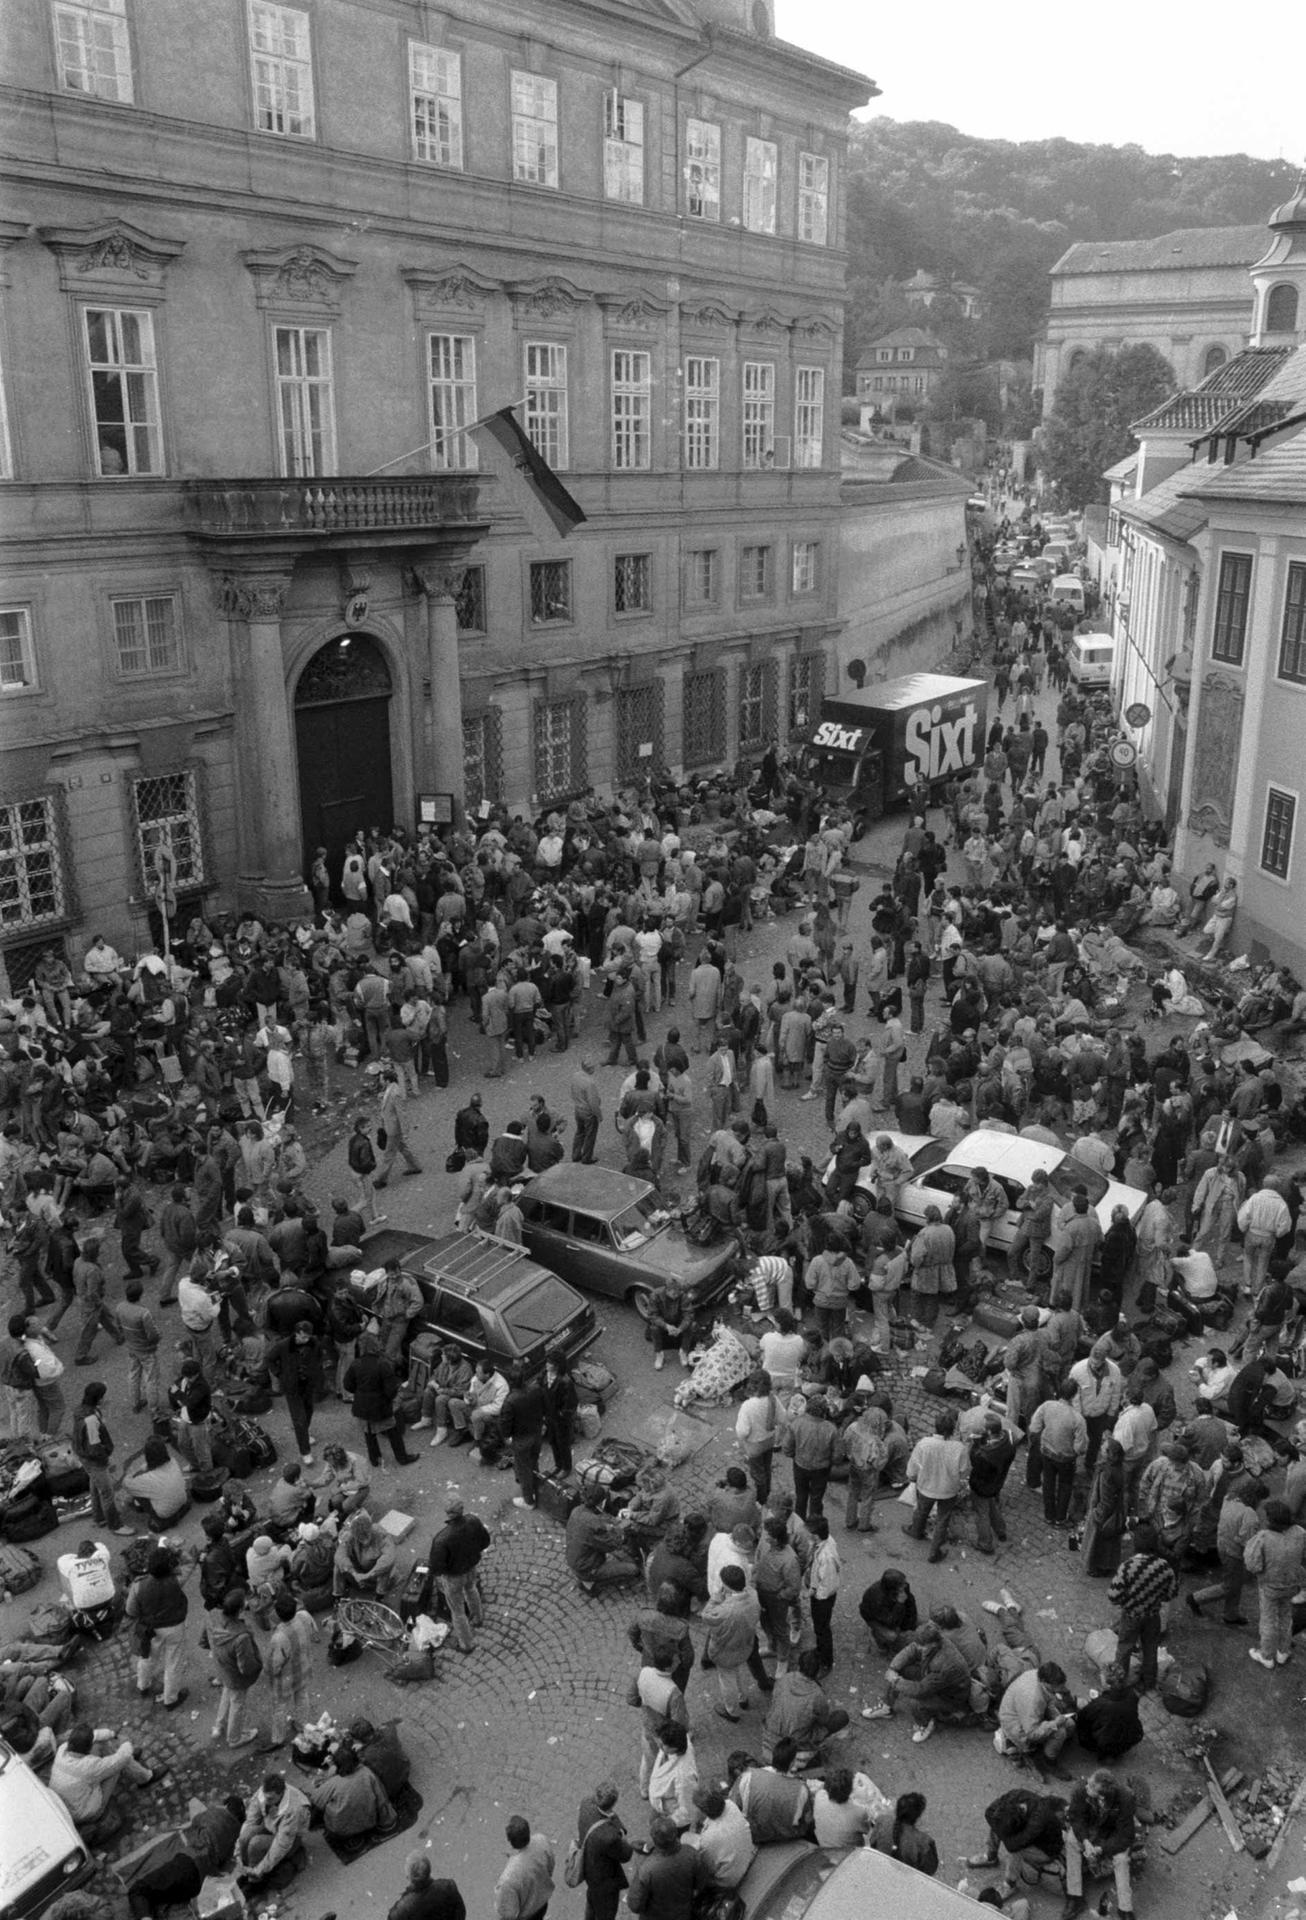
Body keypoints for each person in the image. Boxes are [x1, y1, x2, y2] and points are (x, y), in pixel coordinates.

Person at [1106, 1524, 1178, 1691]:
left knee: (1124, 1649)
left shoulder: (1127, 1567)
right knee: (1150, 1649)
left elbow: (1113, 1596)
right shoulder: (1164, 1567)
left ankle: (1119, 1684)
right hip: (1153, 1615)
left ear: (1135, 1543)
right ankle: (1148, 1682)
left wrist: (1128, 1600)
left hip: (1131, 1615)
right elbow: (1171, 1593)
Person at [50, 1723, 156, 1834]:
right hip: (85, 1812)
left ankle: (131, 1761)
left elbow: (94, 1736)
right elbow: (120, 1759)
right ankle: (145, 1778)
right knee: (117, 1765)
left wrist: (112, 1734)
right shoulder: (88, 1766)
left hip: (68, 1806)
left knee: (100, 1745)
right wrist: (126, 1743)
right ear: (87, 1748)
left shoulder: (62, 1750)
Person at [1062, 1771, 1137, 1920]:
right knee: (1071, 1839)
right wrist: (1085, 1840)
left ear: (1102, 1796)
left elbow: (1125, 1836)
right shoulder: (1081, 1789)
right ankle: (1075, 1897)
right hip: (1090, 1830)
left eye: (1091, 1787)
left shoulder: (1126, 1799)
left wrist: (1102, 1848)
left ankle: (1125, 1908)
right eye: (1090, 1781)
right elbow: (1076, 1817)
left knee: (1122, 1859)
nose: (1086, 1786)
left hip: (1111, 1834)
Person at [1244, 1497, 1306, 1670]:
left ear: (1271, 1520)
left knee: (1268, 1620)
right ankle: (1283, 1651)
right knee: (1286, 1617)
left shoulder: (1263, 1538)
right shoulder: (1300, 1532)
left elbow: (1252, 1564)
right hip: (1292, 1584)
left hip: (1269, 1587)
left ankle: (1266, 1656)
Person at [127, 1545, 190, 1710]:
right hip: (175, 1627)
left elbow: (130, 1610)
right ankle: (170, 1699)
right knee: (174, 1663)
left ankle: (143, 1685)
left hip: (151, 1629)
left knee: (147, 1657)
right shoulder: (177, 1580)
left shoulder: (138, 1585)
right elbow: (190, 1562)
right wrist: (177, 1549)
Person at [428, 1495, 491, 1654]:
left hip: (453, 1577)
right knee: (472, 1589)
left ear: (447, 1512)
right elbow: (485, 1541)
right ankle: (478, 1618)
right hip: (470, 1567)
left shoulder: (441, 1539)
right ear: (462, 1509)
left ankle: (466, 1644)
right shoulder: (473, 1521)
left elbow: (436, 1566)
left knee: (457, 1611)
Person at [761, 1647, 850, 1759]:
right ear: (818, 1672)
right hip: (794, 1742)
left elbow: (775, 1700)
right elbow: (823, 1721)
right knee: (841, 1717)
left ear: (799, 1666)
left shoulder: (784, 1678)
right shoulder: (818, 1695)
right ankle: (808, 1749)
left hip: (770, 1733)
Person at [343, 1332, 416, 1467]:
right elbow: (391, 1389)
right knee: (393, 1432)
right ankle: (402, 1458)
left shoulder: (356, 1363)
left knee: (369, 1434)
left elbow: (347, 1384)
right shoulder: (383, 1363)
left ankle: (375, 1459)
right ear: (375, 1345)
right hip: (381, 1406)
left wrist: (360, 1393)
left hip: (362, 1406)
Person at [71, 1379, 133, 1536]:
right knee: (107, 1492)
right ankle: (115, 1525)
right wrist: (105, 1457)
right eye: (103, 1396)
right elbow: (94, 1446)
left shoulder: (81, 1410)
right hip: (95, 1460)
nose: (105, 1399)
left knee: (95, 1485)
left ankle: (99, 1517)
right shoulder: (91, 1419)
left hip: (84, 1457)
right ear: (98, 1399)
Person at [905, 1408, 967, 1561]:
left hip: (926, 1487)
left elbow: (913, 1467)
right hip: (948, 1490)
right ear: (953, 1429)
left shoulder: (924, 1444)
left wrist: (912, 1477)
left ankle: (916, 1531)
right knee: (943, 1519)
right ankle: (934, 1552)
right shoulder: (959, 1448)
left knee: (921, 1511)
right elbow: (964, 1471)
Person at [700, 1564, 761, 1722]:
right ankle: (743, 1698)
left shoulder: (725, 1611)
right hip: (745, 1645)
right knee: (737, 1673)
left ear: (727, 1586)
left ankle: (732, 1711)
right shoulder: (753, 1595)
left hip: (726, 1651)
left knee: (727, 1679)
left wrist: (716, 1598)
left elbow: (706, 1615)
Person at [308, 1740, 396, 1841]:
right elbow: (381, 1800)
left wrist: (330, 1771)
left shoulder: (334, 1782)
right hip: (369, 1822)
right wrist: (387, 1822)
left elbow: (315, 1799)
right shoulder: (368, 1773)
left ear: (337, 1765)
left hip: (339, 1829)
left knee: (321, 1805)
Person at [236, 1773, 312, 1890]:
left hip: (291, 1838)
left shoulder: (295, 1809)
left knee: (256, 1844)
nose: (266, 1801)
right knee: (246, 1836)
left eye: (270, 1799)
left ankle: (255, 1880)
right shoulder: (264, 1793)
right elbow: (250, 1821)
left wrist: (259, 1869)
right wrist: (238, 1851)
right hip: (272, 1825)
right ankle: (247, 1870)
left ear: (281, 1794)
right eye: (265, 1797)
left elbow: (281, 1845)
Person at [573, 1780, 633, 1920]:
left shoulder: (586, 1803)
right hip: (603, 1880)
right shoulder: (609, 1837)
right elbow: (626, 1854)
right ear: (613, 1804)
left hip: (589, 1867)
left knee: (592, 1901)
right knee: (606, 1911)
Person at [566, 1484, 642, 1594]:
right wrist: (622, 1531)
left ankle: (588, 1578)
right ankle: (589, 1584)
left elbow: (598, 1522)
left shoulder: (577, 1510)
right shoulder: (593, 1525)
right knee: (633, 1570)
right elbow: (612, 1545)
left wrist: (611, 1524)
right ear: (602, 1502)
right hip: (587, 1568)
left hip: (576, 1558)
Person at [688, 1783, 756, 1888]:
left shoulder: (709, 1838)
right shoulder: (730, 1805)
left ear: (703, 1810)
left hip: (731, 1880)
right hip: (748, 1856)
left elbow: (709, 1868)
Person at [1074, 1662, 1143, 1762]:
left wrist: (1087, 1706)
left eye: (1101, 1676)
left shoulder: (1100, 1704)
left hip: (1107, 1742)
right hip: (1130, 1737)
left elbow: (1083, 1719)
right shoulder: (1132, 1694)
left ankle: (1105, 1754)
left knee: (1082, 1710)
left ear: (1107, 1683)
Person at [494, 1814, 555, 1920]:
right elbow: (551, 1866)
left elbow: (509, 1914)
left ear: (510, 1840)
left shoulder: (508, 1879)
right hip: (543, 1904)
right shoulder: (542, 1840)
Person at [123, 1436, 190, 1528]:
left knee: (136, 1490)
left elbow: (126, 1484)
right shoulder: (172, 1461)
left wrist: (133, 1473)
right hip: (182, 1500)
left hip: (164, 1514)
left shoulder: (147, 1479)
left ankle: (153, 1517)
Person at [334, 1509, 399, 1600]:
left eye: (367, 1536)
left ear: (371, 1529)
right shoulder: (350, 1535)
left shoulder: (381, 1534)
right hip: (358, 1572)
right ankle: (337, 1596)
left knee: (385, 1568)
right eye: (361, 1538)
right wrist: (354, 1573)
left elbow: (389, 1559)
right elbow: (339, 1556)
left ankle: (379, 1597)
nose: (365, 1541)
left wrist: (368, 1575)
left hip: (374, 1575)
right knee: (338, 1565)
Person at [871, 1792, 939, 1877]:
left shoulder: (882, 1821)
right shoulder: (924, 1842)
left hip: (882, 1871)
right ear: (918, 1816)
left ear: (897, 1809)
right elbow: (930, 1869)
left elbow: (873, 1843)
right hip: (907, 1880)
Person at [387, 1852, 467, 1920]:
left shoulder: (401, 1911)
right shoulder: (448, 1887)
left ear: (409, 1877)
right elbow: (460, 1912)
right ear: (429, 1869)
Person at [858, 1567, 918, 1654]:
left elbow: (911, 1604)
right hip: (875, 1618)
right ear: (893, 1588)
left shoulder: (903, 1586)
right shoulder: (876, 1598)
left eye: (904, 1582)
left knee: (919, 1622)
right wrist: (899, 1604)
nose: (905, 1585)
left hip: (892, 1610)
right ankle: (879, 1639)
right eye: (901, 1585)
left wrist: (910, 1625)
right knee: (891, 1636)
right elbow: (889, 1622)